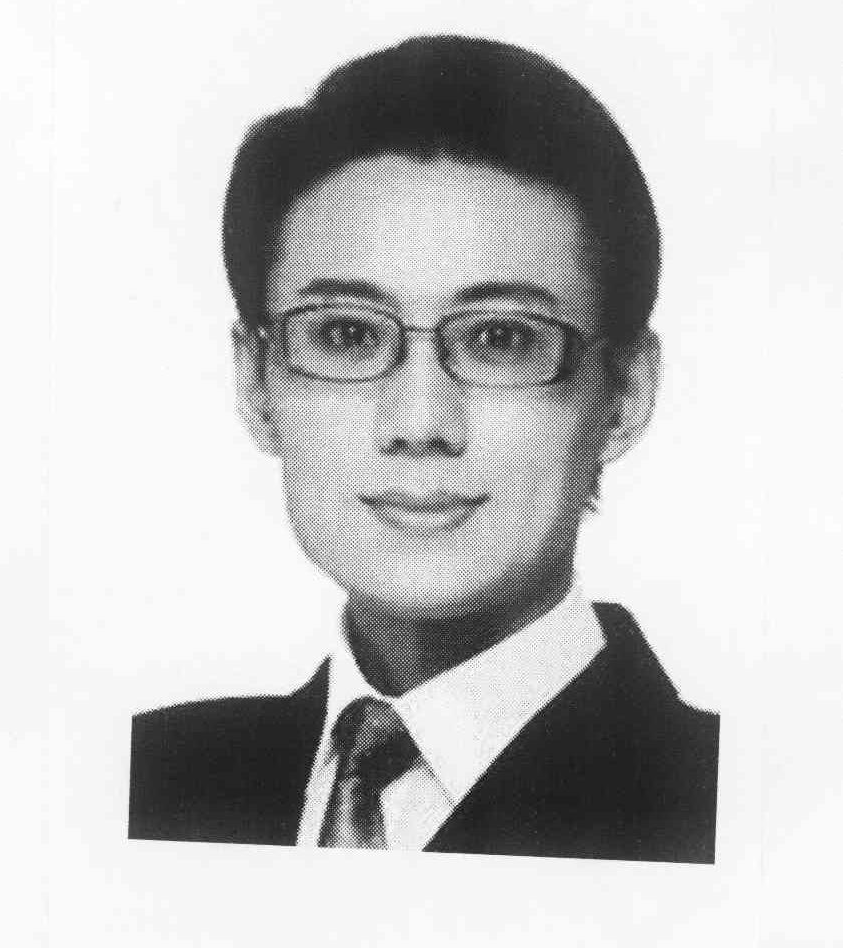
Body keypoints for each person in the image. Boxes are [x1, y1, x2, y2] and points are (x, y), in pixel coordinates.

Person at [128, 34, 719, 862]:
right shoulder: (149, 779)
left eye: (501, 338)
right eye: (345, 334)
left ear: (625, 395)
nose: (418, 421)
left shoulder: (727, 809)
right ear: (257, 383)